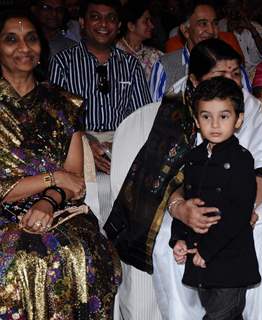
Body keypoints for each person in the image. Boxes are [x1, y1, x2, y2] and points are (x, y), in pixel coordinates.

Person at [105, 38, 262, 320]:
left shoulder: (245, 104)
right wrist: (181, 209)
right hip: (186, 201)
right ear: (194, 80)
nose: (232, 83)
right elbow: (164, 173)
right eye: (220, 76)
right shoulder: (178, 106)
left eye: (236, 73)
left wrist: (244, 208)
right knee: (168, 239)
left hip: (242, 197)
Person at [0, 9, 120, 318]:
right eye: (11, 39)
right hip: (3, 216)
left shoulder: (62, 104)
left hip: (58, 209)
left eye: (31, 39)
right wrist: (53, 179)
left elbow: (75, 180)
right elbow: (60, 177)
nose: (24, 48)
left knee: (77, 251)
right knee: (21, 261)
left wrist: (48, 202)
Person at [171, 77, 260, 319]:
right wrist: (178, 239)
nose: (215, 124)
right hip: (200, 261)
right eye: (206, 116)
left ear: (238, 119)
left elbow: (239, 213)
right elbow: (188, 202)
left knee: (220, 315)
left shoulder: (242, 159)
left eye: (224, 116)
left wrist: (208, 250)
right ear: (197, 120)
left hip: (230, 259)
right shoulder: (193, 157)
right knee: (222, 313)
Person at [49, 0, 152, 175]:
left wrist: (120, 145)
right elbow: (56, 119)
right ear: (82, 22)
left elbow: (142, 118)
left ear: (118, 25)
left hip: (122, 141)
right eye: (95, 17)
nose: (103, 24)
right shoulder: (63, 62)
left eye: (110, 18)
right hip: (76, 141)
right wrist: (85, 144)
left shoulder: (131, 65)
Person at [150, 0, 252, 102]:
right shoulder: (165, 66)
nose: (212, 30)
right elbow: (154, 112)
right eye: (203, 24)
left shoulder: (232, 66)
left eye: (215, 23)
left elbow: (248, 106)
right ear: (185, 30)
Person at [116, 0, 163, 82]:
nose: (151, 26)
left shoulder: (155, 55)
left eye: (150, 21)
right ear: (131, 26)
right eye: (145, 21)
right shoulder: (113, 52)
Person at [218, 0, 262, 74]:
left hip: (258, 72)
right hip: (234, 73)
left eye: (236, 5)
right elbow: (222, 58)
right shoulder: (220, 27)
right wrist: (230, 33)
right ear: (224, 9)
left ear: (242, 7)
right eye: (230, 6)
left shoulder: (255, 26)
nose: (233, 10)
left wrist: (252, 29)